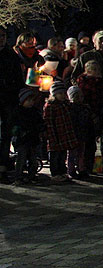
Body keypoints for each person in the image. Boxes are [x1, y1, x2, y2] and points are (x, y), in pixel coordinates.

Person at [0, 27, 23, 182]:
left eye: (3, 36)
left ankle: (2, 167)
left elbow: (18, 78)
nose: (1, 38)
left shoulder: (11, 56)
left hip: (7, 99)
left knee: (5, 134)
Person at [43, 81, 78, 183]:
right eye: (60, 94)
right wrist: (51, 136)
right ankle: (55, 174)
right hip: (55, 135)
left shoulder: (65, 105)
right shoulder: (50, 106)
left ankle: (63, 172)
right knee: (55, 156)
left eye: (64, 93)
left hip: (64, 134)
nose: (63, 96)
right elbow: (48, 122)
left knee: (62, 155)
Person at [10, 88, 43, 185]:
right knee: (21, 158)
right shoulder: (18, 112)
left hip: (32, 139)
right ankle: (18, 177)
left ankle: (31, 176)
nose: (31, 102)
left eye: (32, 100)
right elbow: (15, 125)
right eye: (28, 100)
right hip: (22, 139)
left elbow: (39, 122)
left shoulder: (34, 112)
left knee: (33, 159)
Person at [67, 86, 94, 180]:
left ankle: (81, 169)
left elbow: (89, 120)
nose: (79, 99)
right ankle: (71, 170)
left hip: (82, 133)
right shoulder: (69, 108)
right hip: (73, 134)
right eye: (76, 96)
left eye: (80, 96)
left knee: (81, 153)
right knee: (71, 153)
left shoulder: (85, 108)